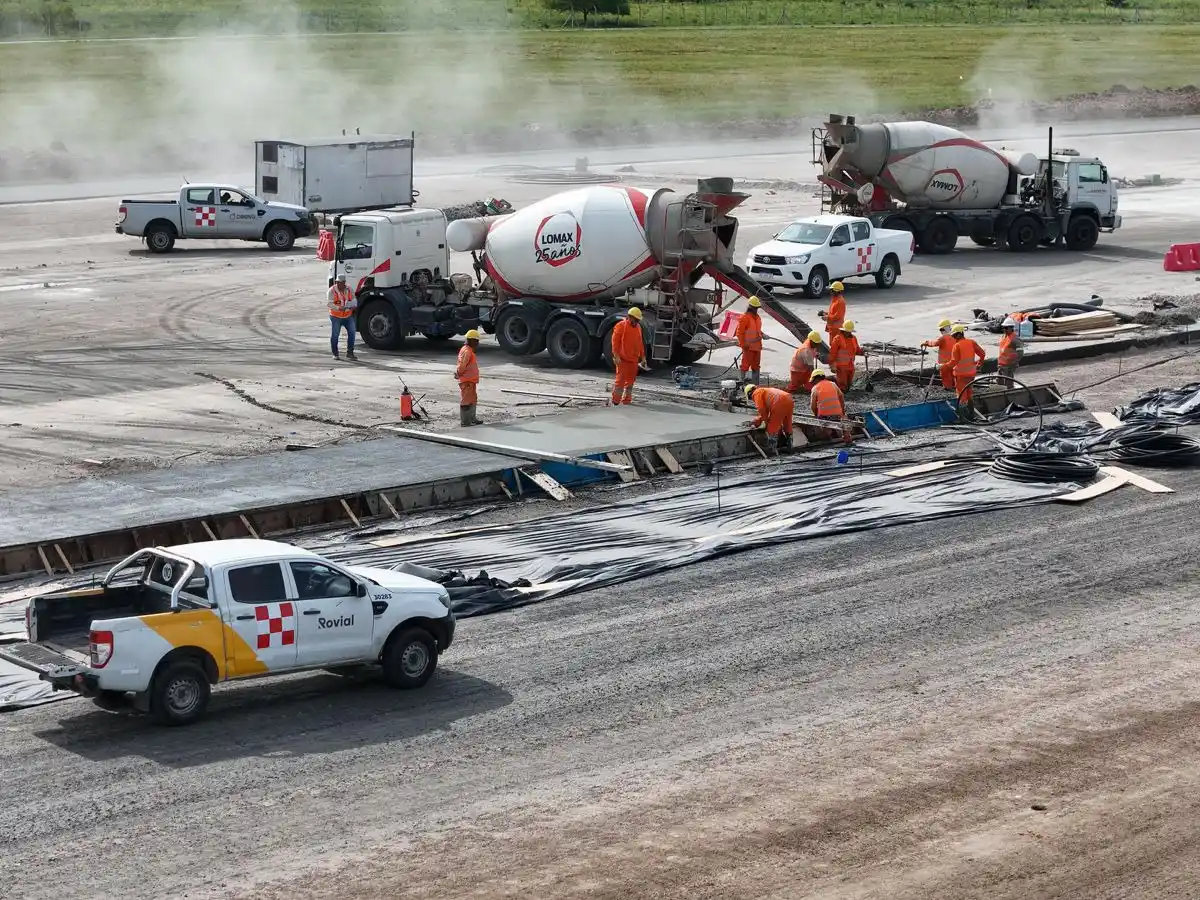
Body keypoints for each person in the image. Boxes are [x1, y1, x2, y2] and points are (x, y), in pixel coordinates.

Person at [610, 307, 647, 405]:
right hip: (622, 359)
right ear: (630, 317)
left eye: (638, 320)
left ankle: (627, 400)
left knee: (630, 382)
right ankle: (616, 400)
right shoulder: (621, 326)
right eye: (636, 320)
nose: (637, 322)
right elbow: (615, 342)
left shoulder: (638, 327)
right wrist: (616, 355)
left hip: (633, 359)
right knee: (620, 382)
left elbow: (640, 343)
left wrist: (643, 357)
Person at [744, 383, 795, 452]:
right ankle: (790, 447)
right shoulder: (765, 391)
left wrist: (765, 422)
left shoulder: (756, 393)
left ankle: (772, 450)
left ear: (749, 393)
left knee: (772, 427)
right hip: (789, 398)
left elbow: (761, 409)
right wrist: (756, 421)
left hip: (779, 401)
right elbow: (765, 412)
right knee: (787, 423)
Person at [949, 323, 987, 408]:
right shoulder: (971, 342)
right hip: (971, 374)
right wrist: (979, 364)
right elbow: (982, 354)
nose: (953, 338)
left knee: (961, 394)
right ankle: (971, 410)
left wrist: (944, 366)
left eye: (954, 336)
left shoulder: (957, 346)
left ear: (959, 334)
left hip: (961, 375)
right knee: (969, 392)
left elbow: (953, 361)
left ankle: (963, 412)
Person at [808, 368, 850, 444]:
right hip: (838, 414)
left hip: (824, 416)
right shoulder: (833, 384)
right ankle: (847, 437)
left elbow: (813, 406)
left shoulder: (815, 388)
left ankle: (827, 435)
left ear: (815, 379)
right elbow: (841, 396)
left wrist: (816, 415)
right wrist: (842, 411)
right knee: (844, 419)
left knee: (824, 429)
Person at [829, 320, 866, 392]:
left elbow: (857, 350)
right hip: (841, 367)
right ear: (843, 330)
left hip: (851, 366)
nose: (848, 333)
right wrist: (832, 365)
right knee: (842, 386)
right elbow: (832, 354)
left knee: (849, 385)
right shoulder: (837, 339)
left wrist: (863, 352)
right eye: (847, 331)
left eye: (849, 332)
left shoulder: (853, 338)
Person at [327, 273, 358, 360]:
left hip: (348, 316)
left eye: (340, 282)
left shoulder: (349, 289)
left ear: (344, 282)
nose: (338, 284)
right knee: (335, 335)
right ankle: (335, 354)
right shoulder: (331, 291)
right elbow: (329, 304)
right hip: (335, 316)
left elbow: (354, 299)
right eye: (337, 282)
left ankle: (350, 353)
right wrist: (339, 308)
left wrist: (354, 305)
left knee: (352, 333)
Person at [455, 329, 482, 426]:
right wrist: (458, 373)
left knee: (473, 399)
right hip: (467, 381)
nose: (478, 343)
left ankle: (472, 419)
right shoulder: (467, 351)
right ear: (471, 340)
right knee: (466, 400)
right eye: (476, 341)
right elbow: (462, 365)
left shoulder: (468, 350)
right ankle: (465, 421)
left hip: (471, 381)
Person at [735, 296, 764, 385]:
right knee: (745, 365)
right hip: (748, 347)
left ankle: (756, 384)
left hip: (757, 346)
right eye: (755, 307)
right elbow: (739, 333)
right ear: (751, 307)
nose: (756, 309)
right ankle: (741, 383)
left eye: (757, 308)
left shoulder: (757, 318)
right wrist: (743, 344)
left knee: (756, 366)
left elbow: (757, 330)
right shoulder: (745, 318)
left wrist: (763, 334)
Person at [921, 318, 956, 390]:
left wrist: (926, 343)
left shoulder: (942, 338)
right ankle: (955, 388)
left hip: (944, 363)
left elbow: (934, 343)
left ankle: (948, 389)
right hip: (953, 362)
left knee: (946, 377)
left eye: (941, 330)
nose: (941, 331)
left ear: (944, 329)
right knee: (953, 376)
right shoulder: (954, 338)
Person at [997, 316, 1024, 381]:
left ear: (1011, 328)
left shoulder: (1015, 339)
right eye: (1003, 328)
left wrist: (1014, 363)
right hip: (1001, 364)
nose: (1004, 329)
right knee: (999, 382)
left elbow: (1020, 353)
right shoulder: (1004, 336)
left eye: (1006, 328)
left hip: (1009, 365)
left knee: (1008, 382)